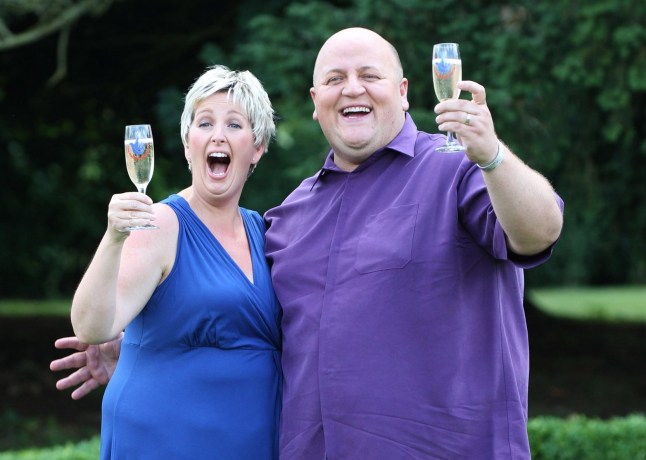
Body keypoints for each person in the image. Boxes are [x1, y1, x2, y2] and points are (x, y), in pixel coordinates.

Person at [52, 28, 564, 459]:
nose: (352, 89)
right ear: (315, 102)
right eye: (335, 79)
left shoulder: (455, 169)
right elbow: (262, 323)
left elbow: (540, 231)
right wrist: (153, 341)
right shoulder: (290, 217)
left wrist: (493, 156)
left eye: (369, 76)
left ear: (404, 90)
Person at [63, 64, 282, 459]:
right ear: (187, 144)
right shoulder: (162, 224)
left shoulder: (263, 230)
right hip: (167, 439)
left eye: (235, 124)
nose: (218, 135)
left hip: (251, 439)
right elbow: (93, 326)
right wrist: (114, 237)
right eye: (204, 123)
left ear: (258, 147)